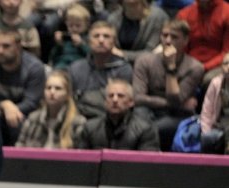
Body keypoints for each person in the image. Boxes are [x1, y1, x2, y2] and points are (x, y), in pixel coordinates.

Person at [133, 19, 204, 151]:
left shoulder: (195, 67)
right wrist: (170, 103)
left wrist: (171, 67)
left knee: (155, 128)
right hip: (148, 110)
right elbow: (138, 98)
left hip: (176, 114)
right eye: (164, 35)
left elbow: (175, 100)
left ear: (186, 40)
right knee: (138, 118)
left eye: (174, 37)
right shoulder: (144, 60)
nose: (168, 41)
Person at [75, 78, 160, 150]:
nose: (115, 100)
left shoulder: (145, 129)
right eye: (111, 96)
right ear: (105, 102)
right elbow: (83, 162)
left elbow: (148, 165)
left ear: (131, 102)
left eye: (121, 96)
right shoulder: (90, 128)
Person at [16, 70, 87, 148]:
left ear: (67, 94)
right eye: (48, 88)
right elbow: (19, 148)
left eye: (58, 88)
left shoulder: (78, 122)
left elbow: (81, 155)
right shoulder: (32, 119)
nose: (52, 92)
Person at [199, 52, 229, 154]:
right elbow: (206, 111)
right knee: (207, 138)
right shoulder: (216, 83)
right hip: (219, 126)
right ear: (221, 67)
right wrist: (206, 131)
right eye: (226, 63)